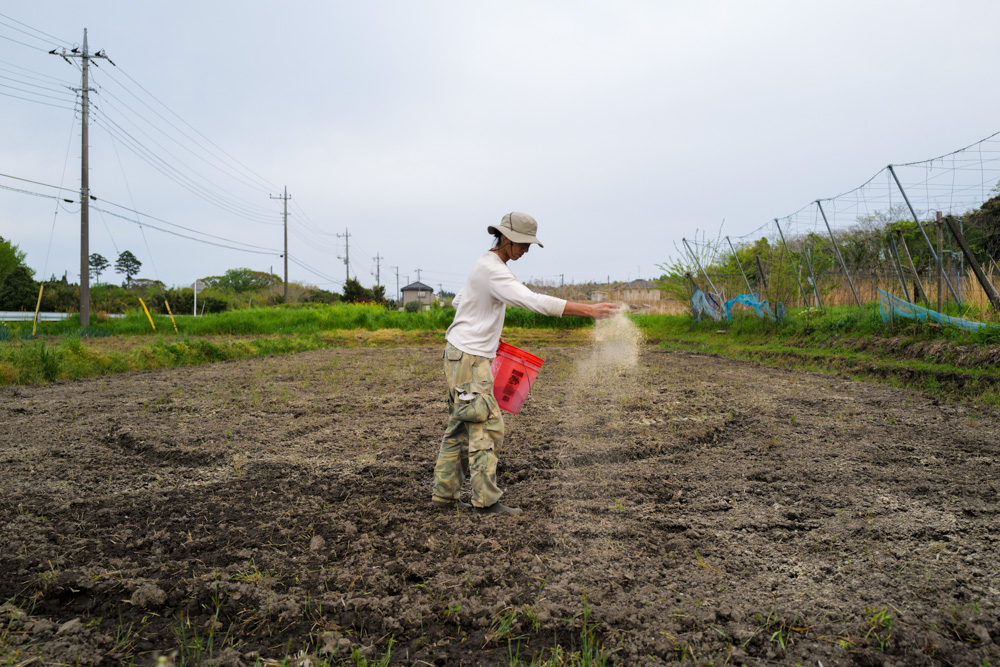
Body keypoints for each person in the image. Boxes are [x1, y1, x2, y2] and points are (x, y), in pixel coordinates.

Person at [432, 212, 618, 514]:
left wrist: (486, 329)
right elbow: (534, 301)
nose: (526, 250)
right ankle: (485, 501)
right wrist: (589, 310)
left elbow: (459, 301)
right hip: (469, 359)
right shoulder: (493, 270)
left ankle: (444, 495)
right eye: (523, 243)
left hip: (460, 356)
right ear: (505, 238)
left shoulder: (486, 265)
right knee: (487, 425)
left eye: (530, 245)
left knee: (461, 426)